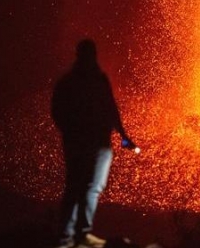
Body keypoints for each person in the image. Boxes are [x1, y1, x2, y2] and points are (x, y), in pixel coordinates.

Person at [51, 39, 136, 248]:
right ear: (80, 55)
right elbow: (58, 111)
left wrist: (123, 135)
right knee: (75, 187)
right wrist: (72, 133)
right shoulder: (69, 84)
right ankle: (65, 238)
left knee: (93, 188)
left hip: (101, 144)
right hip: (81, 144)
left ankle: (82, 234)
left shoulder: (99, 80)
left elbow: (110, 107)